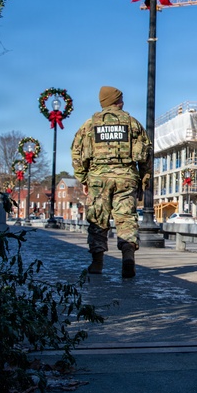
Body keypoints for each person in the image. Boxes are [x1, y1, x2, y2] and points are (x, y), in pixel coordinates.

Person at [71, 86, 150, 279]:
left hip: (98, 178)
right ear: (118, 101)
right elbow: (146, 155)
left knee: (98, 219)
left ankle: (97, 263)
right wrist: (143, 180)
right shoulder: (133, 123)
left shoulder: (89, 125)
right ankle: (128, 257)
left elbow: (77, 153)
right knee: (126, 218)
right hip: (126, 177)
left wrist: (83, 179)